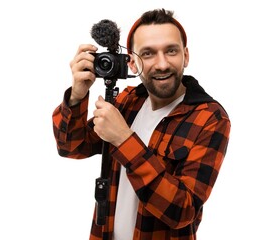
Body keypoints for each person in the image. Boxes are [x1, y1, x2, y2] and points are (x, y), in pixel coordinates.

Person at [52, 8, 231, 240]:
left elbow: (182, 210)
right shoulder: (127, 101)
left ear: (186, 56)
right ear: (133, 64)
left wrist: (124, 140)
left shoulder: (209, 117)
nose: (162, 64)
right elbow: (71, 147)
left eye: (171, 51)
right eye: (148, 54)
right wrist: (77, 96)